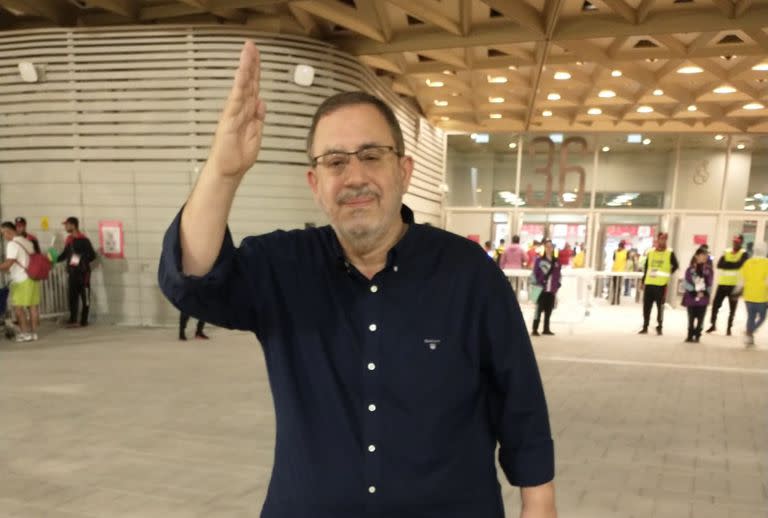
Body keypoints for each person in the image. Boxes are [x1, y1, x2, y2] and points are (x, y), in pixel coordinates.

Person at [158, 42, 556, 518]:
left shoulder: (469, 274)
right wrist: (222, 172)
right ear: (315, 183)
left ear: (404, 171)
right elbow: (194, 278)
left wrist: (540, 506)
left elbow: (521, 408)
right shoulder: (283, 266)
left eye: (371, 155)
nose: (354, 176)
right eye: (335, 161)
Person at [0, 222, 41, 342]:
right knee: (33, 307)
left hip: (21, 280)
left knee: (18, 308)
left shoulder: (12, 244)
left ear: (8, 231)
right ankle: (33, 333)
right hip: (33, 278)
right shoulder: (27, 241)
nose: (3, 236)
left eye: (3, 233)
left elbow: (9, 263)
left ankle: (24, 333)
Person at [57, 217, 97, 328]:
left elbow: (92, 256)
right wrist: (54, 259)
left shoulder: (84, 240)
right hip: (72, 273)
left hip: (83, 273)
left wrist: (79, 261)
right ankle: (73, 319)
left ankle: (84, 321)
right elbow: (65, 255)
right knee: (72, 297)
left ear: (73, 226)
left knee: (85, 297)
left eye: (67, 225)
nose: (65, 227)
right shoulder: (69, 240)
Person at [706, 235, 749, 336]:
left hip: (735, 285)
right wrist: (734, 264)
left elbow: (740, 264)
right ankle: (713, 325)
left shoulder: (744, 253)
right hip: (722, 283)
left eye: (737, 242)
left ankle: (729, 328)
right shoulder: (726, 251)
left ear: (741, 242)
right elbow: (720, 264)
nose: (735, 243)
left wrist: (729, 263)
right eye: (734, 241)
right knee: (715, 305)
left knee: (732, 308)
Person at [639, 232, 679, 335]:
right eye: (661, 239)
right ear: (657, 239)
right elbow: (647, 267)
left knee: (660, 307)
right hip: (649, 283)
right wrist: (643, 281)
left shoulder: (669, 252)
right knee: (646, 306)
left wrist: (669, 273)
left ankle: (659, 326)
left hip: (661, 285)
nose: (662, 241)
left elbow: (675, 265)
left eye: (665, 239)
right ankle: (645, 326)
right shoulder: (651, 252)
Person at [681, 247, 713, 343]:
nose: (704, 257)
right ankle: (690, 335)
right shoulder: (690, 270)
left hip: (703, 298)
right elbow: (686, 282)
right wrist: (694, 292)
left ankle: (698, 334)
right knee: (691, 318)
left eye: (706, 256)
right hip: (691, 297)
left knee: (701, 318)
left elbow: (710, 283)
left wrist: (704, 293)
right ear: (696, 256)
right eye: (702, 255)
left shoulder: (708, 270)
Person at [740, 241, 768, 348]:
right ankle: (750, 332)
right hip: (761, 296)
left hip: (748, 295)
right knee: (762, 317)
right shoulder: (767, 263)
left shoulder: (747, 263)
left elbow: (743, 278)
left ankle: (749, 338)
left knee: (750, 317)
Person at [531, 239, 561, 337]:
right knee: (538, 309)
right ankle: (535, 329)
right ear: (544, 248)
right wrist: (539, 282)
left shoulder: (556, 261)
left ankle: (546, 329)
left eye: (550, 246)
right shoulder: (539, 260)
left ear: (553, 248)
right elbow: (535, 273)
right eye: (547, 246)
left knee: (549, 309)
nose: (549, 248)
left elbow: (558, 275)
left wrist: (556, 286)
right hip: (541, 288)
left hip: (551, 289)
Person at [610, 240, 628, 305]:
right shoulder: (615, 251)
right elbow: (614, 259)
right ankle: (614, 299)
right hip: (615, 271)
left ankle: (617, 299)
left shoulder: (626, 252)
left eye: (621, 246)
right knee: (615, 286)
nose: (620, 247)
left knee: (618, 286)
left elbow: (627, 260)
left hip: (620, 271)